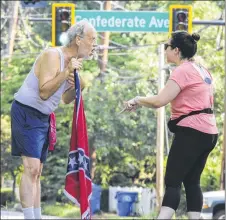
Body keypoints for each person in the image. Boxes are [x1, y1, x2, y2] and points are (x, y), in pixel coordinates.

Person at [123, 31, 218, 219]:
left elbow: (160, 101)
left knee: (173, 181)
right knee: (192, 182)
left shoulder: (182, 71)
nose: (165, 49)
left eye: (167, 46)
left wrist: (137, 99)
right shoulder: (201, 69)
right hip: (209, 132)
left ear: (176, 50)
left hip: (192, 131)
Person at [10, 20, 97, 219]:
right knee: (31, 168)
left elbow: (65, 99)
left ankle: (37, 215)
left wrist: (77, 85)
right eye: (92, 39)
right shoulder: (53, 55)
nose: (94, 44)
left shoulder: (73, 65)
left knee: (37, 170)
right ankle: (28, 217)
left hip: (44, 117)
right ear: (78, 39)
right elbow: (43, 92)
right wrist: (66, 72)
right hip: (26, 111)